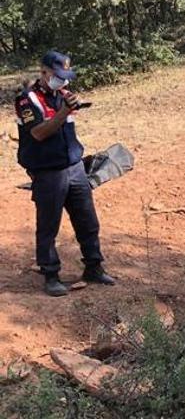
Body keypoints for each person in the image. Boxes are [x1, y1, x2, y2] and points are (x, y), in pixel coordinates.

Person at [14, 51, 114, 297]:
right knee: (48, 225)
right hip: (48, 172)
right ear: (44, 72)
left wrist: (68, 107)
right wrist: (64, 112)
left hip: (74, 167)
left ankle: (94, 267)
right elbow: (38, 133)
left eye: (66, 76)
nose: (63, 81)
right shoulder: (28, 100)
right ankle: (50, 275)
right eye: (58, 76)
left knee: (87, 220)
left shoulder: (62, 95)